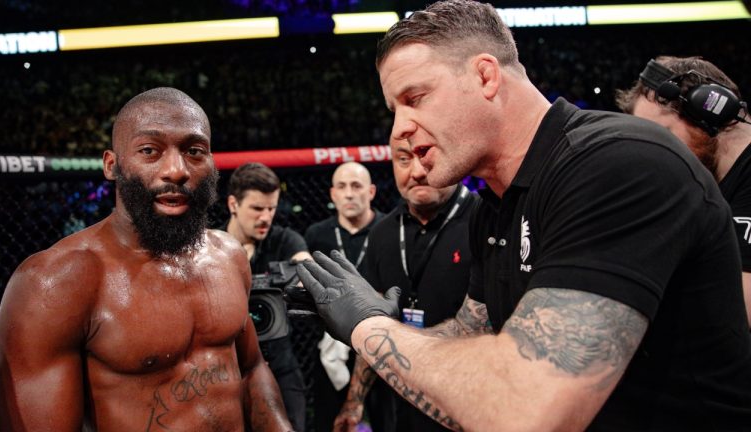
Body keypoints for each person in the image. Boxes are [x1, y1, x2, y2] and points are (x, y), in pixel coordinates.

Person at [295, 1, 751, 431]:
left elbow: (528, 410)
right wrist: (387, 332)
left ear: (486, 76)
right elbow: (465, 335)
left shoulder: (618, 163)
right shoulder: (494, 207)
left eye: (416, 97)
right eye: (395, 110)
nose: (400, 129)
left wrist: (369, 329)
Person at [0, 87, 292, 431]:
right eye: (150, 150)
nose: (176, 170)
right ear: (112, 165)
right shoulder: (56, 281)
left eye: (194, 151)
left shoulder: (229, 256)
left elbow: (252, 368)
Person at [332, 137, 479, 432]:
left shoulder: (485, 219)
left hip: (473, 402)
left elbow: (483, 325)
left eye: (426, 157)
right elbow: (373, 323)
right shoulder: (384, 232)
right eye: (403, 159)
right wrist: (354, 401)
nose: (416, 171)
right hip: (402, 405)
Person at [616, 56, 751, 325]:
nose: (652, 153)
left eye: (663, 135)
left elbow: (739, 311)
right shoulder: (707, 184)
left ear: (712, 112)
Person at [223, 162, 312, 432]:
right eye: (257, 208)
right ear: (233, 204)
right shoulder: (211, 245)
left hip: (280, 364)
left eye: (271, 208)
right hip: (228, 367)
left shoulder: (286, 241)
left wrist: (303, 278)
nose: (266, 217)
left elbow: (305, 266)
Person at [303, 161, 384, 432]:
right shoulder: (317, 234)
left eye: (356, 186)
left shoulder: (387, 230)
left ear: (371, 192)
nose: (349, 193)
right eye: (342, 187)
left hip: (379, 343)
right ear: (333, 194)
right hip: (330, 343)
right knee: (328, 421)